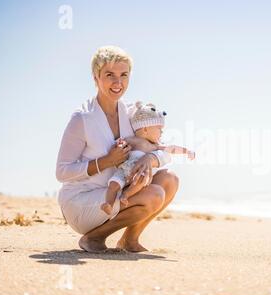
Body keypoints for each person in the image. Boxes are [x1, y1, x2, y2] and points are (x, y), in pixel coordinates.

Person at [56, 45, 179, 253]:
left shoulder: (131, 113)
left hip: (116, 192)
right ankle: (93, 238)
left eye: (124, 75)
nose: (118, 82)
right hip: (81, 201)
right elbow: (62, 172)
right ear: (96, 77)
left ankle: (129, 240)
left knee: (170, 180)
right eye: (109, 75)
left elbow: (159, 145)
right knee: (154, 194)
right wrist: (106, 161)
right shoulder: (82, 118)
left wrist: (150, 160)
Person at [101, 102, 195, 215]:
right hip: (123, 170)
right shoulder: (132, 140)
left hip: (138, 173)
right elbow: (117, 146)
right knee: (113, 184)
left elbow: (172, 149)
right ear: (145, 129)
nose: (162, 132)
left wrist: (186, 151)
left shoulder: (155, 146)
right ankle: (108, 204)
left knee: (141, 180)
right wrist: (120, 145)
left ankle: (126, 195)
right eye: (159, 128)